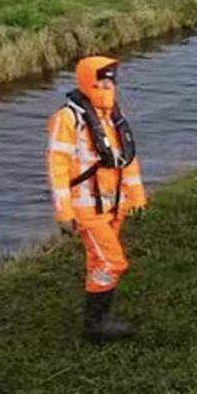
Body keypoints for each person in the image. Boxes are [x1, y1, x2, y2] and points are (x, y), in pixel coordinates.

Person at [46, 55, 148, 342]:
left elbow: (127, 159)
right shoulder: (67, 119)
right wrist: (63, 212)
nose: (106, 85)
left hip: (114, 205)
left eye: (109, 80)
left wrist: (136, 195)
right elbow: (58, 167)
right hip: (87, 209)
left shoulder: (112, 115)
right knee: (112, 262)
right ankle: (96, 326)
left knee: (97, 262)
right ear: (87, 81)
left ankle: (98, 322)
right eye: (100, 81)